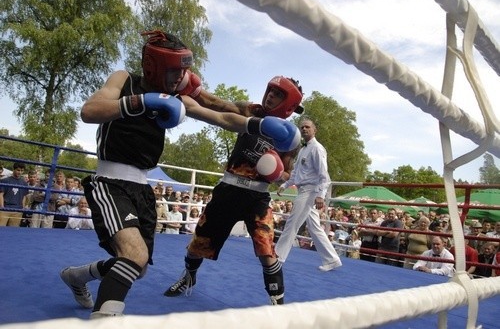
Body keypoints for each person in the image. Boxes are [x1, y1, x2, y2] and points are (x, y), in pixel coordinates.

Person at [59, 30, 300, 318]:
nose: (182, 76)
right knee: (134, 255)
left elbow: (222, 117)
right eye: (176, 69)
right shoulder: (124, 80)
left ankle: (77, 276)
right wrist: (142, 101)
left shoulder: (177, 98)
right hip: (110, 181)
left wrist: (258, 126)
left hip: (142, 188)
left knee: (139, 266)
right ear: (155, 66)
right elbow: (90, 110)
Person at [164, 75, 304, 305]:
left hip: (257, 198)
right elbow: (219, 105)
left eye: (278, 94)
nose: (270, 95)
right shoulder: (251, 111)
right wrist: (192, 88)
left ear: (288, 104)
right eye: (271, 90)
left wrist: (276, 172)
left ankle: (278, 304)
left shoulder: (290, 138)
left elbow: (286, 176)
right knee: (199, 244)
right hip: (228, 190)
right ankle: (189, 277)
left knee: (267, 251)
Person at [275, 118, 342, 272]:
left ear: (314, 129)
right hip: (303, 189)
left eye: (307, 127)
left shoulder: (317, 149)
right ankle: (332, 259)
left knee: (293, 223)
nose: (304, 129)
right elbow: (296, 174)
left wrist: (320, 194)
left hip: (311, 190)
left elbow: (323, 175)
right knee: (314, 227)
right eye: (302, 127)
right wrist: (285, 185)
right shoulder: (303, 149)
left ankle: (277, 257)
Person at [0, 162, 28, 227]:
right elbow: (1, 194)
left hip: (17, 210)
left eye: (22, 170)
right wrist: (2, 207)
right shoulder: (5, 180)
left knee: (13, 232)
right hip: (5, 209)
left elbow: (24, 196)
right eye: (18, 170)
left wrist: (22, 208)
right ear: (14, 169)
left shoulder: (24, 183)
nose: (20, 172)